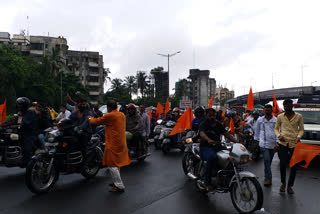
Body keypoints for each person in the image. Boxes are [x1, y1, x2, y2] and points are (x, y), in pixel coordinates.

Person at [88, 100, 131, 193]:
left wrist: (89, 118)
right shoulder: (122, 115)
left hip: (113, 143)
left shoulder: (110, 115)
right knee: (116, 164)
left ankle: (119, 186)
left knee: (112, 165)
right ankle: (116, 182)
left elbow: (97, 121)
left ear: (109, 108)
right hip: (121, 142)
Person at [199, 108, 238, 191]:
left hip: (218, 146)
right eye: (209, 115)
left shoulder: (218, 124)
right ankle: (207, 183)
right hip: (205, 147)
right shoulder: (203, 124)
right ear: (206, 115)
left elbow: (226, 134)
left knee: (231, 155)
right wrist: (208, 139)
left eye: (213, 115)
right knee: (212, 157)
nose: (211, 117)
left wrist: (237, 142)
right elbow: (202, 133)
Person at [274, 99, 304, 194]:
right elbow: (276, 129)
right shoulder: (280, 117)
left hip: (294, 143)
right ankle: (283, 183)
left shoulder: (299, 116)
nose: (287, 108)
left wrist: (299, 137)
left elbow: (302, 130)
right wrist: (279, 136)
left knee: (294, 166)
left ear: (292, 106)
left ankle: (290, 186)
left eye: (289, 106)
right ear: (284, 107)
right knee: (283, 164)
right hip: (283, 143)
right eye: (285, 106)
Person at [254, 105, 278, 186]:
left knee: (269, 162)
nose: (267, 111)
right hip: (263, 144)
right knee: (267, 161)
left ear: (272, 110)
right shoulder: (260, 120)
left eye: (269, 110)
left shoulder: (276, 120)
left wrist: (277, 143)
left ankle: (266, 172)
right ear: (264, 111)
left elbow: (279, 131)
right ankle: (268, 179)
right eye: (266, 110)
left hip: (273, 144)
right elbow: (256, 131)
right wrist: (256, 142)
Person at [17, 97, 39, 167]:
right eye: (18, 104)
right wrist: (4, 125)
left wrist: (18, 124)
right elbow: (17, 122)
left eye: (20, 104)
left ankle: (29, 163)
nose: (18, 106)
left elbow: (25, 123)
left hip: (30, 134)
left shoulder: (30, 112)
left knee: (27, 149)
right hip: (22, 134)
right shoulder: (21, 113)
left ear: (24, 105)